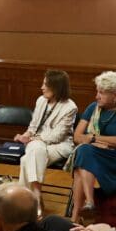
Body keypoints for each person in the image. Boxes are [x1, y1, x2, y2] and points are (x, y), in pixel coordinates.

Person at [65, 71, 116, 222]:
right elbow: (77, 137)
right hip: (93, 154)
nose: (96, 96)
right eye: (97, 91)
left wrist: (94, 138)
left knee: (83, 158)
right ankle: (88, 205)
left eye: (102, 93)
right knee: (83, 152)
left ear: (115, 95)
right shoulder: (93, 107)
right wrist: (98, 144)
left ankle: (76, 217)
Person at [14, 69, 77, 200]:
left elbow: (57, 136)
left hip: (59, 145)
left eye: (46, 85)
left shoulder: (70, 107)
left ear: (57, 87)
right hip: (36, 144)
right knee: (36, 150)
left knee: (26, 159)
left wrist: (33, 139)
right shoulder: (41, 100)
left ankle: (26, 199)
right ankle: (35, 198)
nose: (42, 88)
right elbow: (33, 125)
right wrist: (25, 135)